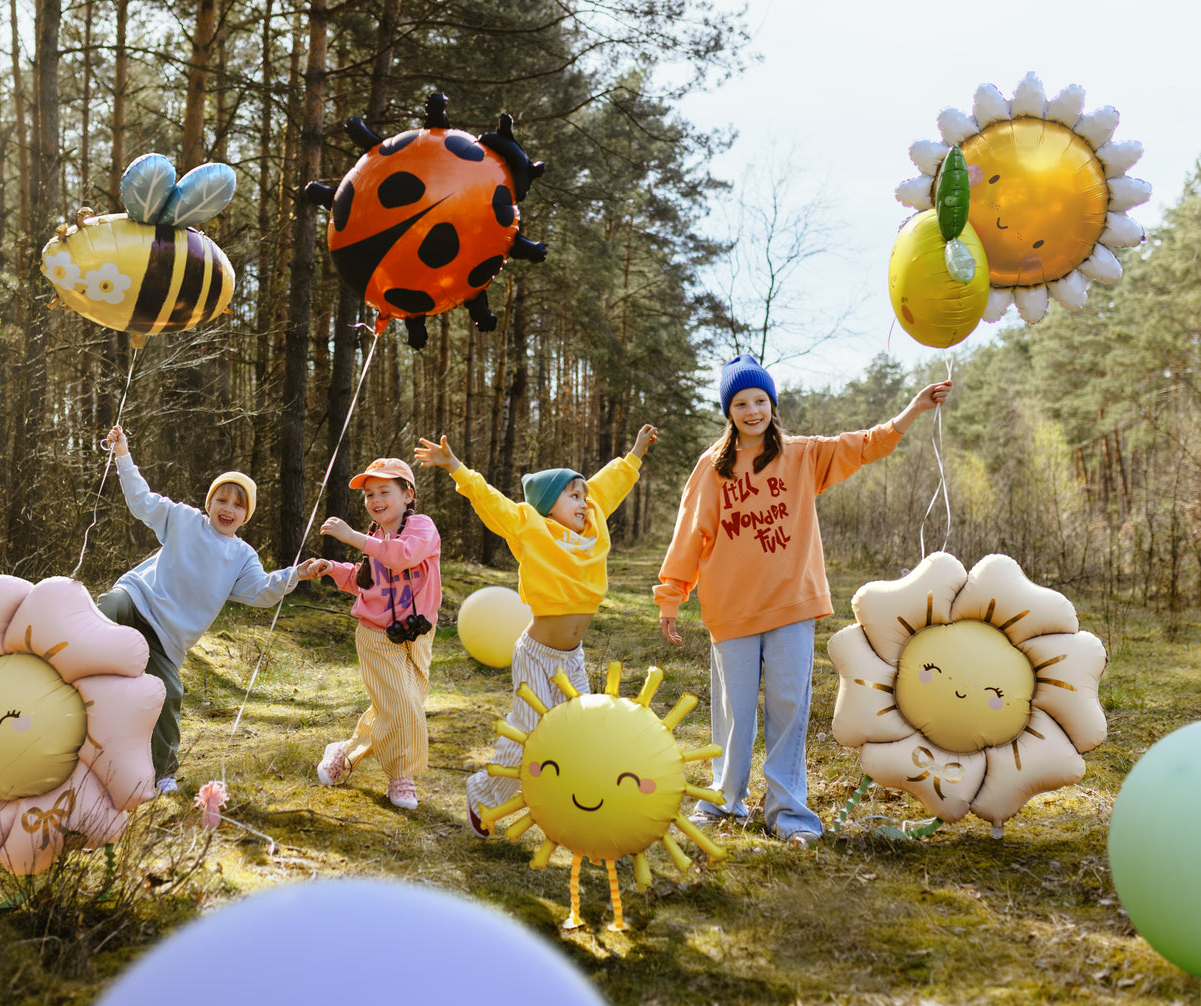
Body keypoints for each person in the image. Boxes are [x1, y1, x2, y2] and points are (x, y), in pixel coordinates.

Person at [654, 354, 951, 848]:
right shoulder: (711, 467)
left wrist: (912, 411)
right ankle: (723, 801)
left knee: (790, 709)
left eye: (761, 401)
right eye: (742, 402)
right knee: (734, 712)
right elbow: (690, 533)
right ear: (729, 410)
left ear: (773, 404)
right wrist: (671, 596)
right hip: (733, 610)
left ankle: (788, 813)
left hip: (792, 604)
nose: (753, 411)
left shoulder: (802, 455)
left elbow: (863, 445)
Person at [417, 425, 659, 836]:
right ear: (549, 504)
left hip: (572, 657)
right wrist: (455, 466)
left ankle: (577, 805)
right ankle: (482, 790)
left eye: (584, 495)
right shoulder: (530, 526)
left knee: (583, 730)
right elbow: (489, 499)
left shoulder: (593, 519)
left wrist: (635, 452)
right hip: (536, 654)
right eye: (574, 496)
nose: (584, 502)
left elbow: (610, 483)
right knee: (527, 734)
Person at [97, 424, 326, 794]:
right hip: (137, 600)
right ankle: (63, 659)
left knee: (168, 693)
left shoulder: (242, 556)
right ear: (209, 503)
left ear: (245, 515)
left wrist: (296, 574)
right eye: (222, 500)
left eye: (238, 505)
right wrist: (122, 454)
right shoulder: (184, 520)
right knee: (109, 607)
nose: (228, 509)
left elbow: (263, 591)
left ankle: (164, 775)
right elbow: (141, 500)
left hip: (167, 640)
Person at [315, 458, 441, 811]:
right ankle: (402, 775)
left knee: (400, 705)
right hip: (375, 635)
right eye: (369, 494)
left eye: (385, 491)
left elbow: (403, 556)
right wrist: (334, 569)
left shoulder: (421, 528)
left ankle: (345, 753)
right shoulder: (374, 537)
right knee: (402, 705)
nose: (375, 499)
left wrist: (353, 538)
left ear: (408, 495)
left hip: (418, 636)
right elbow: (366, 580)